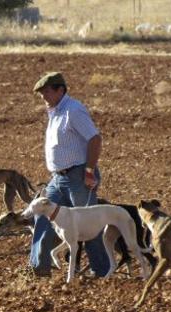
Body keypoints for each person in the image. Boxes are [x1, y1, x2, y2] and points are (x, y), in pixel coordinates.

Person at [29, 72, 111, 278]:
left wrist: (89, 171)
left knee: (88, 223)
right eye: (41, 93)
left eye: (46, 91)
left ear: (60, 90)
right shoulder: (55, 111)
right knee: (42, 216)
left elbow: (94, 139)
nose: (43, 96)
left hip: (78, 176)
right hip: (58, 179)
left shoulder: (73, 110)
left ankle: (101, 271)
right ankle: (39, 269)